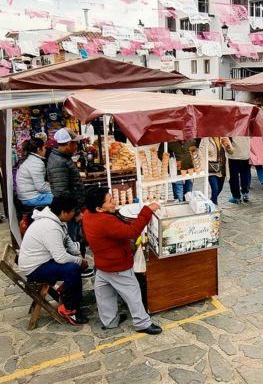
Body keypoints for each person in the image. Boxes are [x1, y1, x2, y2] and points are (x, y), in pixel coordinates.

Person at [82, 186, 162, 334]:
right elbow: (131, 232)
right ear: (99, 208)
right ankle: (142, 323)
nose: (114, 202)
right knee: (133, 293)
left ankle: (110, 321)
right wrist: (147, 210)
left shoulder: (88, 214)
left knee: (104, 293)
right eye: (110, 201)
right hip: (117, 264)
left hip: (102, 263)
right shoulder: (104, 221)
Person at [17, 197, 90, 325]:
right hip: (35, 268)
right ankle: (69, 308)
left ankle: (67, 293)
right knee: (72, 268)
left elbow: (68, 241)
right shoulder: (50, 227)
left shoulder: (58, 220)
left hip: (44, 261)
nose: (74, 214)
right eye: (73, 211)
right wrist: (79, 261)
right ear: (63, 212)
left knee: (76, 261)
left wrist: (79, 256)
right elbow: (60, 257)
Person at [47, 128, 92, 276]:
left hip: (72, 208)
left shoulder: (62, 158)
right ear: (67, 144)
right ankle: (77, 269)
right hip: (69, 210)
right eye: (74, 144)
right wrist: (76, 213)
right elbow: (62, 192)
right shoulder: (58, 162)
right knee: (73, 240)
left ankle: (80, 265)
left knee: (76, 239)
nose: (76, 147)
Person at [15, 137, 54, 207]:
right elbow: (41, 187)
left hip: (27, 196)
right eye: (44, 147)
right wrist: (56, 190)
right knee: (62, 198)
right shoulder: (36, 163)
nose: (45, 150)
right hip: (31, 198)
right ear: (39, 149)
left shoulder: (31, 159)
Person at [225, 136, 252, 203]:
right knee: (245, 174)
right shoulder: (246, 126)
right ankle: (245, 193)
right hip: (245, 154)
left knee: (234, 177)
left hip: (234, 155)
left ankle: (236, 196)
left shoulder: (233, 127)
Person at [206, 137, 229, 205]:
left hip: (222, 168)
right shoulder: (206, 139)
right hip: (211, 168)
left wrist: (227, 145)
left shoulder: (224, 137)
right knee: (215, 189)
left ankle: (211, 202)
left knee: (219, 189)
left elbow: (231, 151)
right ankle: (215, 206)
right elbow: (202, 153)